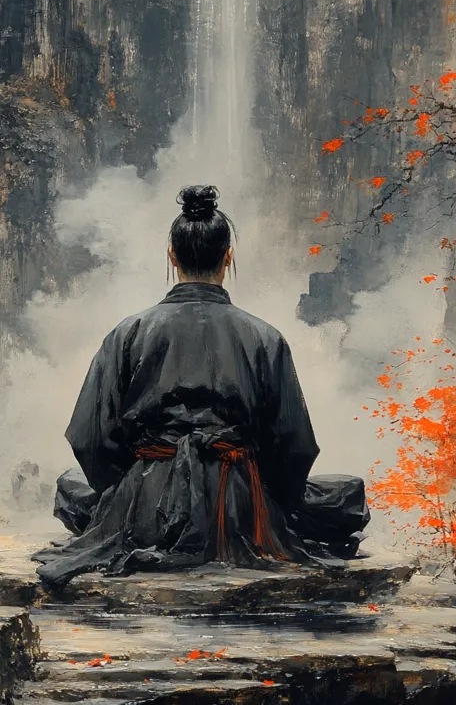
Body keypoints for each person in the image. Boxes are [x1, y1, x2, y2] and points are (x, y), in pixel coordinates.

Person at [34, 186, 370, 588]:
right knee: (345, 495)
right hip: (238, 502)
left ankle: (136, 513)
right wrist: (266, 497)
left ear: (172, 257)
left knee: (70, 489)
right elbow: (294, 446)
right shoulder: (265, 337)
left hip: (146, 501)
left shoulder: (128, 333)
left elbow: (90, 439)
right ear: (228, 257)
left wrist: (131, 488)